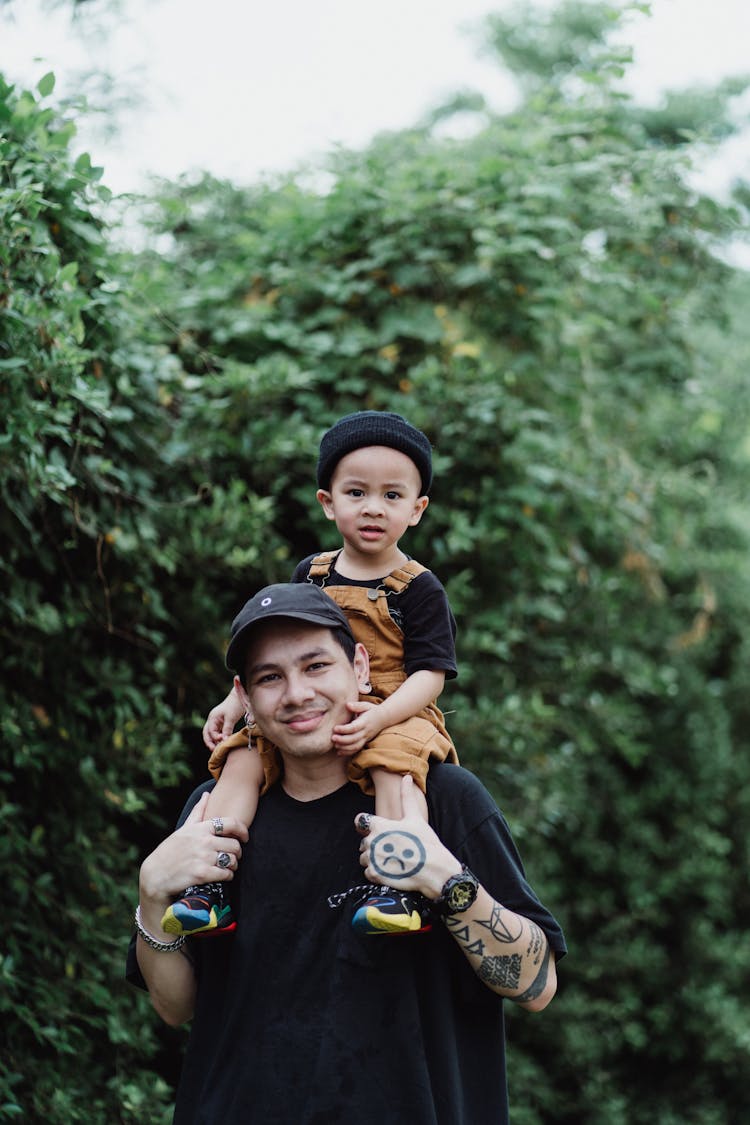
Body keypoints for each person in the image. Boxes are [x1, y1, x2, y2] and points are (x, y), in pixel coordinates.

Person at [127, 583, 566, 1125]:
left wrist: (448, 881)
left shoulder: (445, 799)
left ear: (360, 667)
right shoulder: (215, 816)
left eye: (316, 666)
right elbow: (176, 1007)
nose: (295, 694)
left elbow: (537, 984)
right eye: (270, 677)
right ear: (245, 695)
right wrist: (152, 898)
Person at [162, 411, 460, 938]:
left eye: (392, 496)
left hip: (396, 707)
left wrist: (378, 719)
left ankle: (397, 886)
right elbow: (277, 653)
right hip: (316, 702)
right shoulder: (313, 574)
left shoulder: (418, 588)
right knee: (242, 757)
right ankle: (210, 886)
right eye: (356, 492)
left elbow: (430, 675)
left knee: (393, 763)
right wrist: (238, 705)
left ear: (417, 510)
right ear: (328, 502)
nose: (373, 507)